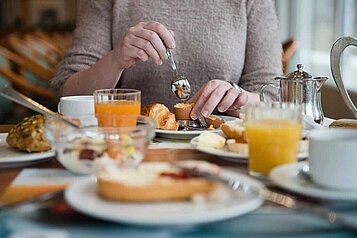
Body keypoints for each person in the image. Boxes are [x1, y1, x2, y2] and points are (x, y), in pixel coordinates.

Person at [52, 0, 282, 119]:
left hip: (222, 154)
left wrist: (237, 99)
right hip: (127, 151)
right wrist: (115, 61)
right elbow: (68, 95)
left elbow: (272, 96)